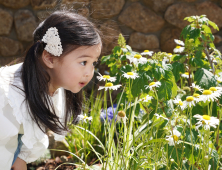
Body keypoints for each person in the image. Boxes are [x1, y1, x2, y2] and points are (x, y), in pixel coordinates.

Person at [0, 10, 102, 170]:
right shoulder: (9, 94)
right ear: (50, 58)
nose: (90, 72)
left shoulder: (53, 85)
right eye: (83, 62)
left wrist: (21, 159)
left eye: (93, 63)